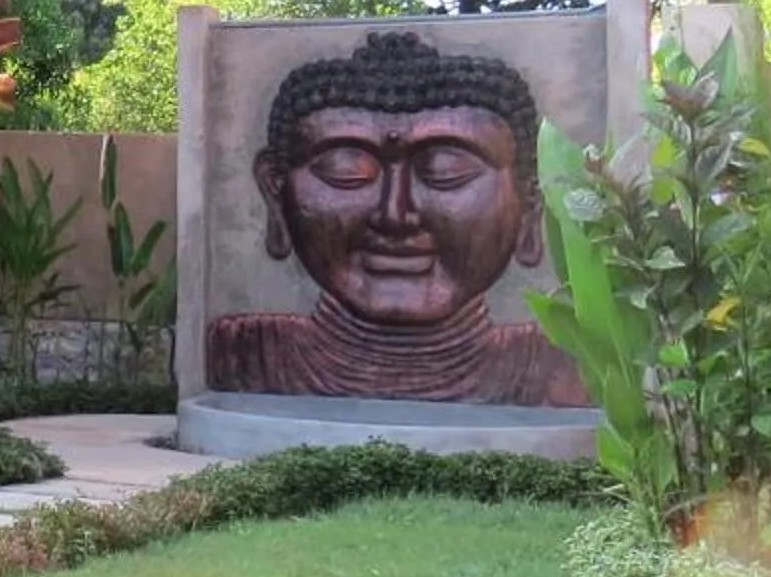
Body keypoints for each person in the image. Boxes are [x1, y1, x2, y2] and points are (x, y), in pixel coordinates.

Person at [207, 30, 586, 406]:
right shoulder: (245, 353)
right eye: (347, 171)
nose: (395, 215)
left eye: (446, 171)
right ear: (275, 193)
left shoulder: (567, 362)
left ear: (529, 201)